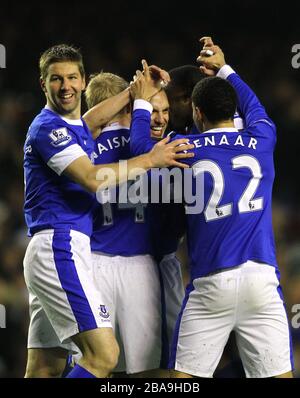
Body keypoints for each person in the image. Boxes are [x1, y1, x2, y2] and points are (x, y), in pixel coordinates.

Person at [22, 44, 194, 378]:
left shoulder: (72, 127)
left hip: (56, 251)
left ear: (84, 81)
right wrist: (151, 159)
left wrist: (135, 91)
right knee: (104, 355)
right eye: (56, 79)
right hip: (61, 248)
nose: (66, 85)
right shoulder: (50, 129)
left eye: (72, 77)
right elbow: (91, 178)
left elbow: (90, 120)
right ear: (43, 84)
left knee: (44, 366)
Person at [130, 37, 294, 378]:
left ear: (197, 112)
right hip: (261, 281)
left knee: (182, 381)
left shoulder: (185, 148)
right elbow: (253, 106)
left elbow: (140, 150)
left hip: (212, 283)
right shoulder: (263, 137)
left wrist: (143, 102)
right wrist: (225, 68)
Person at [85, 71, 185, 377]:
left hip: (91, 261)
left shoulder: (80, 146)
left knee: (94, 363)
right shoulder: (157, 150)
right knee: (150, 369)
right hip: (142, 265)